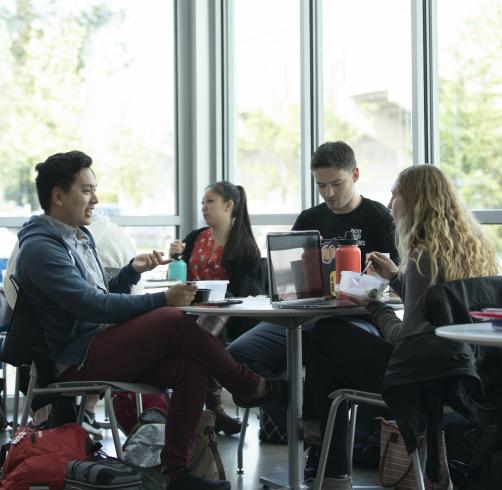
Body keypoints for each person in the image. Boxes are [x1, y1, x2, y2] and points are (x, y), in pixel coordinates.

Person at [14, 150, 285, 490]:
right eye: (86, 190)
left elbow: (99, 295)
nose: (95, 199)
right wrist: (161, 298)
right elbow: (90, 305)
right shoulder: (41, 248)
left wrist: (129, 273)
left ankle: (175, 474)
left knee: (190, 369)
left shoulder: (79, 238)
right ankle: (247, 385)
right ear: (57, 195)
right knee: (171, 318)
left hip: (97, 344)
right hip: (74, 358)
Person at [304, 164, 500, 490]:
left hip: (420, 380)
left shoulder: (425, 256)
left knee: (326, 331)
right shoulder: (477, 247)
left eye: (395, 194)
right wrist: (395, 277)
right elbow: (439, 309)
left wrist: (374, 307)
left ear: (414, 201)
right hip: (464, 377)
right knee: (325, 367)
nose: (390, 201)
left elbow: (407, 340)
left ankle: (329, 465)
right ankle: (333, 473)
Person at [227, 140, 396, 407]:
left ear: (355, 175)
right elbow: (286, 275)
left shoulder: (380, 219)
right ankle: (291, 396)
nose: (328, 192)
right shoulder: (309, 219)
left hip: (355, 319)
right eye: (320, 185)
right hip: (304, 316)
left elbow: (392, 285)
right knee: (238, 353)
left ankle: (306, 406)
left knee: (328, 356)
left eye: (336, 184)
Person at [169, 181, 264, 435]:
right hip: (190, 309)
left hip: (225, 315)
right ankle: (211, 408)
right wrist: (175, 255)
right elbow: (178, 275)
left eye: (210, 201)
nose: (204, 207)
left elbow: (244, 296)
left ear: (228, 205)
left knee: (205, 331)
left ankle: (208, 407)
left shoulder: (243, 247)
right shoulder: (195, 238)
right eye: (203, 202)